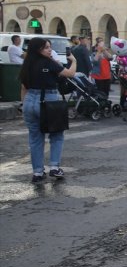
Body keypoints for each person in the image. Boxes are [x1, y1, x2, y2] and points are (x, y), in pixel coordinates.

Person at [19, 37, 78, 182]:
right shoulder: (50, 63)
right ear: (38, 49)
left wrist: (24, 105)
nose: (50, 49)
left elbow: (23, 87)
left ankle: (38, 172)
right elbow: (70, 74)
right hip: (48, 100)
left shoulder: (27, 64)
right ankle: (54, 167)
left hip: (29, 101)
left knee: (35, 138)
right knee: (56, 135)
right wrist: (74, 61)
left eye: (49, 47)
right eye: (46, 47)